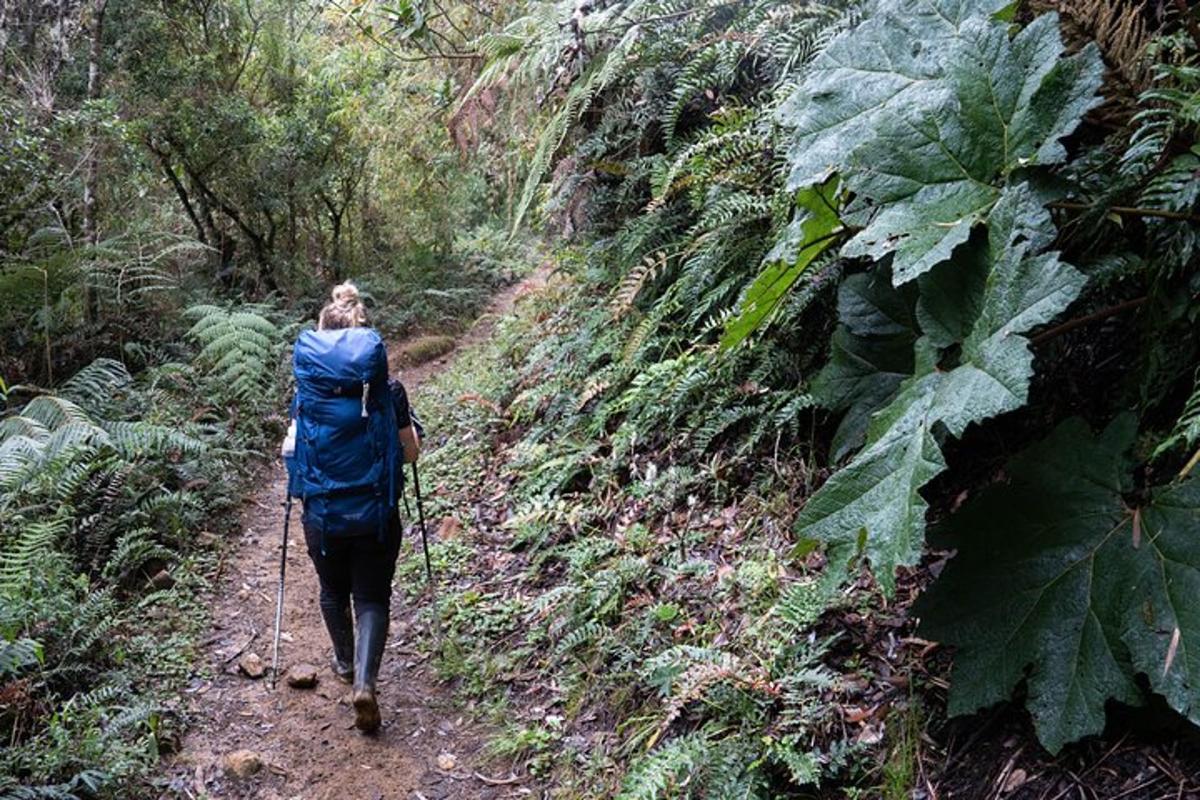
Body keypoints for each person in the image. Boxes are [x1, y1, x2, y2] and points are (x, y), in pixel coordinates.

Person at [296, 282, 420, 733]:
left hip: (323, 515)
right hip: (376, 513)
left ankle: (345, 663)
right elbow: (409, 453)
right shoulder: (390, 390)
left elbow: (291, 452)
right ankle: (365, 683)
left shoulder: (307, 396)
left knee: (333, 591)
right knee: (371, 596)